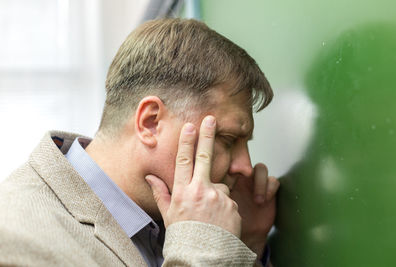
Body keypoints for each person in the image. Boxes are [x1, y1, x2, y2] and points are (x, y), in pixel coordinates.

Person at [0, 18, 279, 266]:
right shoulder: (15, 239)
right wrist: (205, 246)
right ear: (150, 122)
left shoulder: (177, 214)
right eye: (228, 139)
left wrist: (245, 245)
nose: (246, 166)